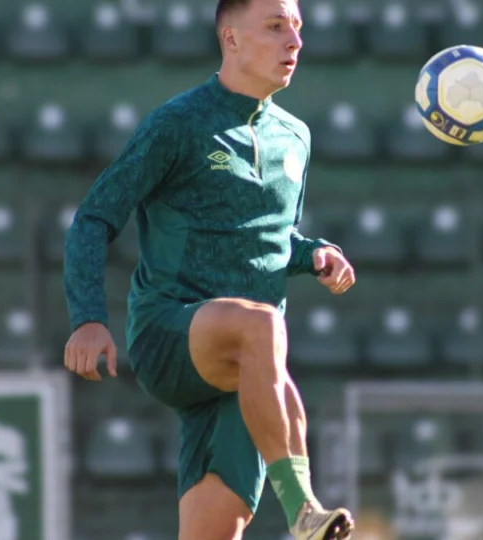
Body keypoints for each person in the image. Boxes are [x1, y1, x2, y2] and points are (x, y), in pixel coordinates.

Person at [62, 0, 357, 538]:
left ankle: (301, 511)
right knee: (264, 324)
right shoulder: (178, 123)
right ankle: (304, 510)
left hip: (243, 371)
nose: (294, 41)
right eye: (275, 26)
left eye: (297, 27)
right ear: (231, 39)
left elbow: (266, 241)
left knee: (217, 530)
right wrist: (87, 316)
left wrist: (313, 254)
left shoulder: (296, 136)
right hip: (169, 332)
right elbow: (93, 217)